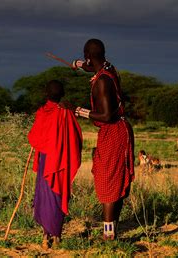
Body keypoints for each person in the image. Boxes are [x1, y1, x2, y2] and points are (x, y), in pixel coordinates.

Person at [67, 39, 135, 240]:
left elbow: (106, 116)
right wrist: (77, 64)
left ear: (89, 56)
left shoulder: (103, 82)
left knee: (108, 182)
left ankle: (108, 235)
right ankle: (113, 229)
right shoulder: (108, 67)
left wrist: (78, 110)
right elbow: (91, 66)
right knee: (116, 178)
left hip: (112, 130)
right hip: (120, 129)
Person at [28, 80, 82, 249]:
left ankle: (45, 236)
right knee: (57, 195)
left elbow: (34, 138)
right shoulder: (65, 112)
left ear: (46, 93)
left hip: (46, 162)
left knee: (44, 197)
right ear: (63, 94)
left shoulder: (41, 112)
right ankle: (57, 237)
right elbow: (76, 139)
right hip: (60, 163)